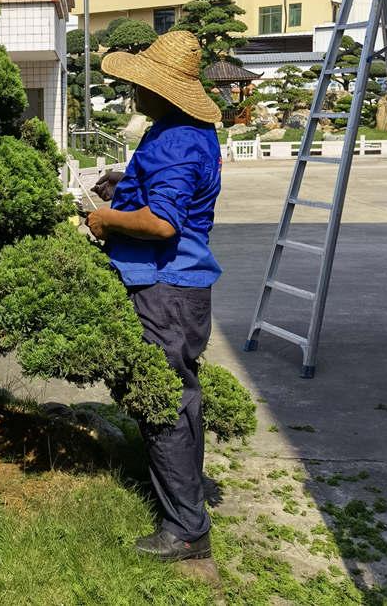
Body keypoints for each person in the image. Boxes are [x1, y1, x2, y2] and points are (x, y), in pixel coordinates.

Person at [86, 29, 223, 562]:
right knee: (181, 398)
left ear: (160, 91)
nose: (133, 91)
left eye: (140, 84)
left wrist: (105, 218)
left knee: (164, 400)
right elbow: (174, 194)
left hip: (164, 287)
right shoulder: (191, 132)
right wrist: (126, 182)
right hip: (181, 287)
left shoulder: (171, 139)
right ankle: (186, 506)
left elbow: (163, 223)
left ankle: (185, 528)